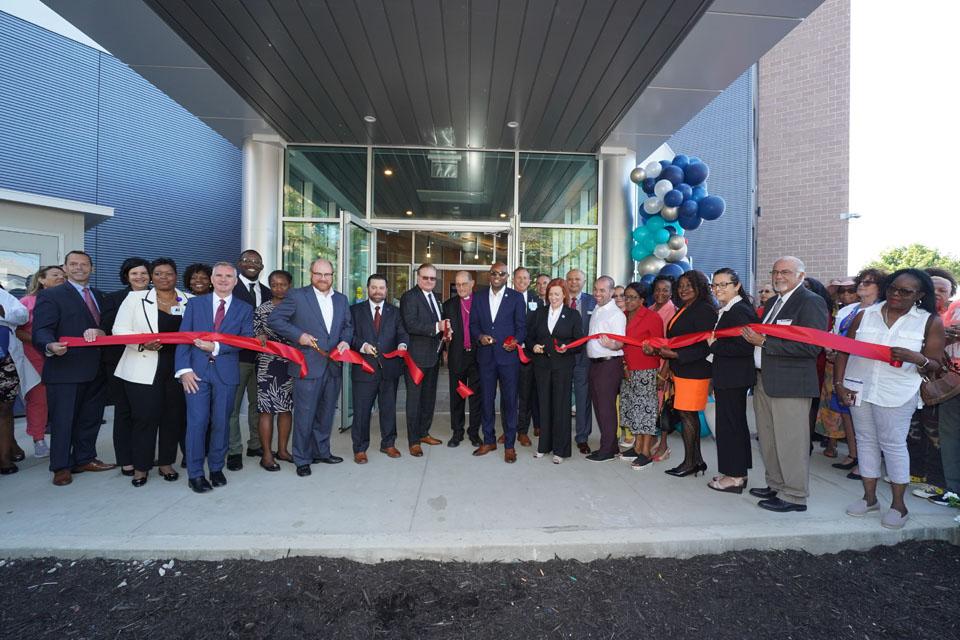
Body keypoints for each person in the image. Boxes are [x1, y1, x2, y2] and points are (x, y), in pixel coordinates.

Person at [835, 269, 944, 529]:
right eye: (893, 288)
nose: (896, 294)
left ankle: (898, 505)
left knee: (893, 445)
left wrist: (917, 358)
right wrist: (838, 384)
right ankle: (869, 498)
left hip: (897, 391)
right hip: (859, 387)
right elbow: (843, 352)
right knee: (866, 441)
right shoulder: (865, 315)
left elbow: (936, 364)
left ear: (919, 295)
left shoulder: (929, 321)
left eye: (905, 291)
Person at [741, 256, 828, 513]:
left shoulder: (811, 302)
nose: (779, 276)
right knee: (768, 438)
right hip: (764, 380)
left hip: (791, 384)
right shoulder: (773, 303)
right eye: (776, 272)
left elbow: (811, 347)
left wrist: (764, 343)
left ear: (801, 276)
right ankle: (776, 484)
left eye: (786, 272)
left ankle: (795, 495)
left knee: (791, 441)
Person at [32, 250, 115, 486]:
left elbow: (106, 327)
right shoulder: (52, 295)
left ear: (92, 268)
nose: (79, 268)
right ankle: (60, 466)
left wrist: (103, 332)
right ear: (65, 268)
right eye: (74, 264)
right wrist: (49, 344)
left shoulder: (100, 295)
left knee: (91, 418)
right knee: (63, 420)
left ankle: (85, 458)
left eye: (84, 264)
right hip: (65, 368)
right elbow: (41, 329)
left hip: (97, 368)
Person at [268, 258, 352, 477]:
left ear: (333, 276)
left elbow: (348, 326)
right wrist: (299, 336)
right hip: (307, 366)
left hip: (333, 365)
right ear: (311, 274)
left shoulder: (341, 299)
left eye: (327, 274)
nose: (323, 278)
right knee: (305, 415)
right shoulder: (297, 296)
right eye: (318, 274)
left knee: (326, 414)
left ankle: (321, 451)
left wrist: (345, 340)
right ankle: (302, 458)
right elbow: (275, 320)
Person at [175, 262, 254, 493]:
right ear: (211, 278)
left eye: (228, 276)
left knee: (221, 422)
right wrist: (183, 370)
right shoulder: (195, 304)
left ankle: (217, 468)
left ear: (235, 281)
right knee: (197, 423)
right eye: (219, 275)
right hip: (196, 374)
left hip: (227, 372)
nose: (223, 280)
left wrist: (216, 347)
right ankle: (196, 474)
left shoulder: (244, 308)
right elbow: (183, 338)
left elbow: (247, 339)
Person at [112, 258, 188, 487]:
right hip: (142, 365)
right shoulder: (135, 298)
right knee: (144, 418)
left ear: (176, 276)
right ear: (152, 277)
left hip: (176, 367)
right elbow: (119, 330)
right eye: (158, 274)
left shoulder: (188, 299)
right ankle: (141, 467)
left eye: (169, 273)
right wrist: (143, 343)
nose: (164, 277)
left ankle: (166, 462)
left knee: (172, 417)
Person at [645, 270, 716, 477]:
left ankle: (690, 462)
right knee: (687, 415)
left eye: (689, 285)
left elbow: (706, 346)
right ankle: (697, 460)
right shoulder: (686, 308)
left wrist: (676, 354)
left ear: (699, 286)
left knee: (688, 416)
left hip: (695, 371)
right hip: (681, 371)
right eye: (681, 285)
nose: (683, 289)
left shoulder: (704, 310)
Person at [818, 268, 884, 472]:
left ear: (880, 288)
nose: (862, 286)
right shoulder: (848, 310)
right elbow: (836, 335)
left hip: (868, 372)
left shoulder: (884, 310)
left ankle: (867, 464)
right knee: (847, 413)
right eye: (861, 282)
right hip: (844, 369)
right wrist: (830, 349)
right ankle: (854, 455)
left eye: (868, 282)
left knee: (868, 422)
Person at [705, 269, 757, 493]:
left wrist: (713, 345)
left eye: (723, 284)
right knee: (731, 426)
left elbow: (744, 346)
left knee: (731, 427)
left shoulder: (739, 310)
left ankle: (735, 477)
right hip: (728, 375)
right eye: (715, 285)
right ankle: (733, 472)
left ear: (737, 286)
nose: (718, 289)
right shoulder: (729, 309)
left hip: (734, 377)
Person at [471, 261, 527, 463]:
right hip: (486, 357)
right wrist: (480, 337)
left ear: (506, 277)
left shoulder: (516, 298)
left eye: (501, 274)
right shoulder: (477, 297)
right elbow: (473, 325)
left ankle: (510, 445)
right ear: (489, 275)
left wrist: (516, 341)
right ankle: (489, 439)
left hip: (508, 358)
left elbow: (522, 328)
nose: (497, 276)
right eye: (494, 273)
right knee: (486, 399)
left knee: (510, 402)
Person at [349, 274, 408, 463]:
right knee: (361, 411)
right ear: (368, 288)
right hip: (364, 370)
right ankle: (360, 448)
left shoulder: (395, 312)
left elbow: (402, 334)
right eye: (374, 287)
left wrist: (403, 345)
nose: (377, 291)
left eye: (381, 288)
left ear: (386, 290)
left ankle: (388, 444)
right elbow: (349, 336)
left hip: (389, 369)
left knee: (388, 408)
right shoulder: (355, 311)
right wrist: (362, 345)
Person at [101, 257, 151, 478]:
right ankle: (126, 460)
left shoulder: (162, 296)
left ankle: (145, 456)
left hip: (153, 361)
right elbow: (109, 329)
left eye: (143, 273)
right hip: (120, 362)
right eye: (134, 274)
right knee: (124, 412)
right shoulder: (113, 299)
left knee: (147, 414)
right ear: (126, 276)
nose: (140, 277)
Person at [227, 249, 273, 470]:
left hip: (262, 359)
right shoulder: (229, 289)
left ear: (262, 267)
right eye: (247, 260)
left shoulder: (266, 292)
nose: (252, 264)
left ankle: (255, 444)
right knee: (232, 407)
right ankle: (233, 450)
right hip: (236, 357)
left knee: (258, 405)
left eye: (257, 262)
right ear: (239, 263)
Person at [529, 278, 583, 463]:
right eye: (551, 293)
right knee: (544, 406)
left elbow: (579, 342)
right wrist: (534, 346)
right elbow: (530, 337)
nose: (553, 297)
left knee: (561, 407)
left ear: (564, 295)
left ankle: (560, 450)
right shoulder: (539, 313)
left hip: (563, 367)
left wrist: (567, 346)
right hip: (542, 367)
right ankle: (544, 446)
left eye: (557, 294)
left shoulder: (573, 315)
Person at [14, 265, 64, 457]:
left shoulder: (68, 300)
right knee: (39, 399)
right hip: (34, 356)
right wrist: (43, 342)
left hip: (63, 356)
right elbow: (18, 331)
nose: (61, 277)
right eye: (55, 275)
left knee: (61, 400)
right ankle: (38, 439)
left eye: (63, 275)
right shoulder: (27, 301)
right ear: (42, 279)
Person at [399, 263, 448, 456]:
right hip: (416, 359)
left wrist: (444, 339)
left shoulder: (436, 298)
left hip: (433, 357)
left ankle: (424, 432)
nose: (429, 281)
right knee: (414, 400)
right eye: (425, 277)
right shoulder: (409, 297)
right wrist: (437, 327)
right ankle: (413, 441)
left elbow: (440, 324)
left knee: (429, 398)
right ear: (418, 277)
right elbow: (411, 324)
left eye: (432, 278)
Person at [617, 282, 663, 469]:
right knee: (632, 410)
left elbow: (659, 346)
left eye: (633, 297)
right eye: (626, 296)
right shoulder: (623, 316)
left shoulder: (652, 317)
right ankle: (636, 447)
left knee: (645, 411)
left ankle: (645, 452)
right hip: (627, 370)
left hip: (645, 370)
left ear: (642, 300)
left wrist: (651, 349)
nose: (628, 300)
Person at [253, 270, 295, 471]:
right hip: (268, 365)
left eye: (283, 284)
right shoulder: (263, 309)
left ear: (290, 286)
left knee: (286, 409)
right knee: (266, 410)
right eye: (274, 284)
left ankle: (283, 450)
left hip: (290, 363)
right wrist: (259, 335)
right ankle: (267, 455)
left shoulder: (297, 307)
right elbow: (256, 331)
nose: (278, 288)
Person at [582, 276, 626, 462]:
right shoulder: (599, 309)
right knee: (599, 407)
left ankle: (607, 450)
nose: (597, 294)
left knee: (606, 408)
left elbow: (620, 343)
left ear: (610, 292)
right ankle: (610, 445)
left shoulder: (616, 314)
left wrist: (612, 345)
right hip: (595, 364)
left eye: (602, 290)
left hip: (608, 364)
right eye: (595, 289)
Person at [442, 270, 482, 448]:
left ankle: (474, 433)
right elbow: (443, 332)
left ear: (472, 284)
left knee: (475, 397)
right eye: (457, 284)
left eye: (464, 284)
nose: (460, 288)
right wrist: (444, 346)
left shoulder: (482, 303)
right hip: (457, 356)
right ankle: (457, 432)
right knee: (457, 396)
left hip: (478, 357)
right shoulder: (449, 305)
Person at [933, 268, 960, 507]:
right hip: (951, 382)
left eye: (943, 289)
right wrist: (946, 339)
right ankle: (953, 490)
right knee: (950, 437)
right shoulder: (951, 309)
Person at [566, 268, 596, 454]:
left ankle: (582, 437)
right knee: (561, 398)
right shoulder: (559, 299)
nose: (573, 282)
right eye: (570, 279)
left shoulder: (593, 301)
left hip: (584, 359)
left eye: (577, 279)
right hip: (562, 358)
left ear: (584, 281)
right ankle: (559, 434)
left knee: (583, 399)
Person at [648, 274, 678, 461]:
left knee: (662, 406)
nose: (661, 293)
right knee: (651, 406)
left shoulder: (673, 312)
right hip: (648, 364)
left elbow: (672, 345)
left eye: (665, 290)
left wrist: (664, 372)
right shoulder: (650, 309)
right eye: (658, 289)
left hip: (663, 367)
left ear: (671, 292)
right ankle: (651, 440)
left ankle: (664, 446)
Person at [0, 285, 28, 474]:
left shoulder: (3, 295)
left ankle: (4, 456)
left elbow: (22, 315)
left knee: (4, 408)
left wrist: (3, 312)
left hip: (5, 359)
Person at [513, 266, 541, 447]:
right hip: (509, 353)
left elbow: (538, 328)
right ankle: (509, 428)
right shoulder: (505, 298)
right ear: (513, 280)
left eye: (525, 278)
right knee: (509, 395)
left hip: (528, 355)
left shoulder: (536, 300)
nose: (522, 281)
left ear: (530, 281)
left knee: (525, 395)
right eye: (519, 278)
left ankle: (522, 431)